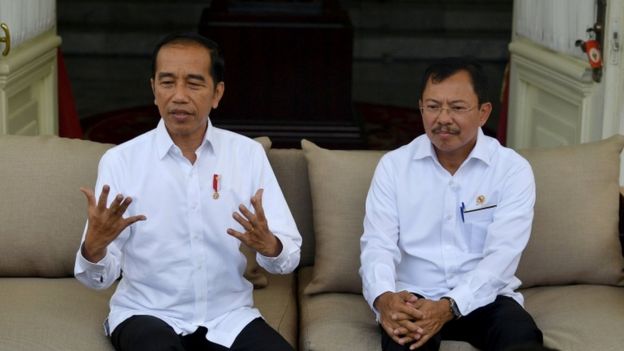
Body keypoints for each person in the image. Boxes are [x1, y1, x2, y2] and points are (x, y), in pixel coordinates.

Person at [74, 32, 301, 351]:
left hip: (229, 318)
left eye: (194, 83)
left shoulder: (246, 154)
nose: (179, 96)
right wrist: (94, 249)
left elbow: (288, 257)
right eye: (167, 82)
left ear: (217, 93)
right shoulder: (121, 161)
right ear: (154, 89)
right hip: (146, 313)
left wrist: (270, 245)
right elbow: (97, 277)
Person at [359, 57, 543, 351]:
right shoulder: (393, 167)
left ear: (483, 113)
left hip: (486, 299)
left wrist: (449, 306)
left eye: (457, 108)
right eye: (433, 107)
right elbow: (378, 245)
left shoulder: (511, 170)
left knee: (521, 339)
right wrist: (384, 299)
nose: (443, 118)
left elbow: (502, 257)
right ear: (421, 107)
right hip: (414, 299)